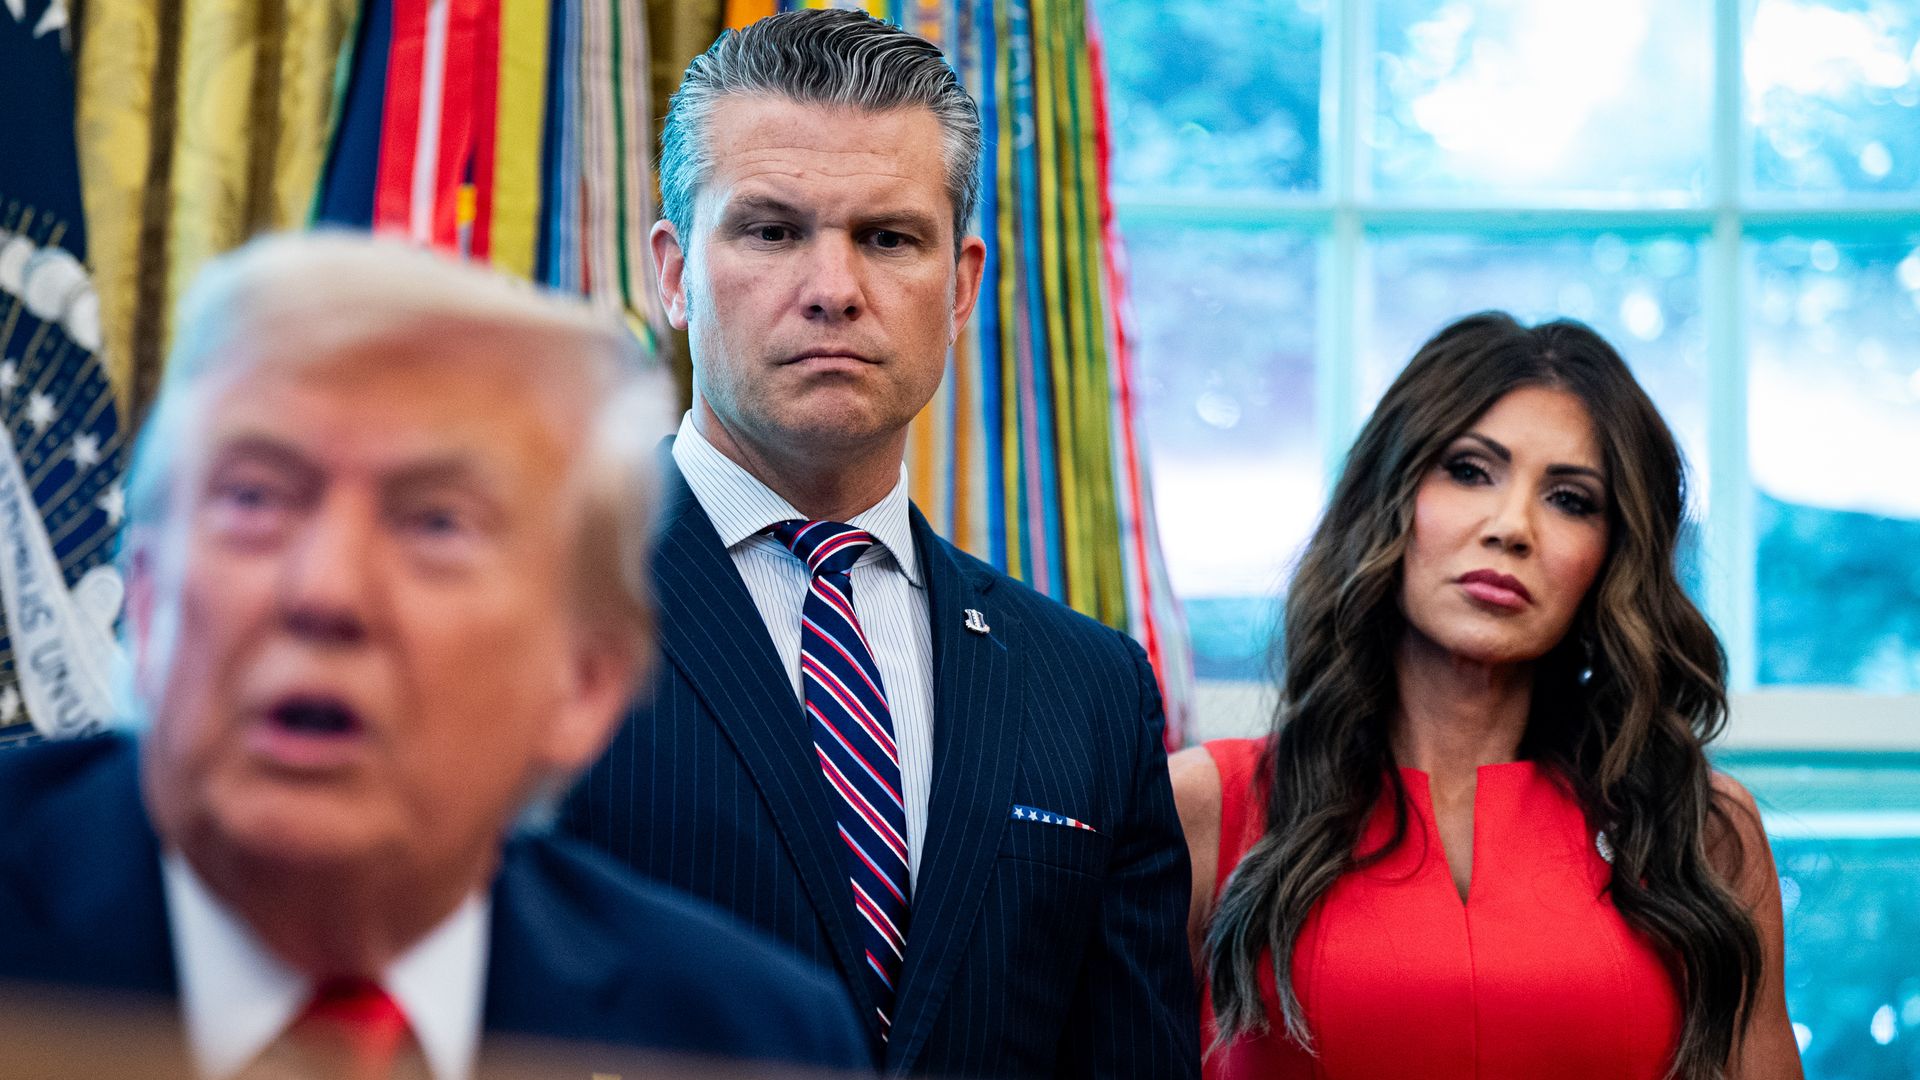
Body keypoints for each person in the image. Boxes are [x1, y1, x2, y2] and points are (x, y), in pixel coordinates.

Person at [0, 233, 872, 1079]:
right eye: (256, 498)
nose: (326, 591)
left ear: (583, 681)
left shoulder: (747, 1042)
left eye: (436, 523)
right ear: (146, 603)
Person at [559, 10, 1198, 1078]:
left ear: (960, 288)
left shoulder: (1089, 689)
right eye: (770, 231)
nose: (834, 288)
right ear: (672, 273)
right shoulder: (520, 617)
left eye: (888, 238)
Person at [1172, 312, 1802, 1079]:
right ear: (1391, 498)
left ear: (1612, 557)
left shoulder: (1701, 832)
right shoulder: (1208, 807)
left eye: (1571, 499)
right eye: (1470, 470)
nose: (1512, 527)